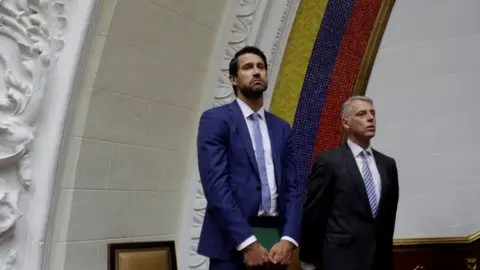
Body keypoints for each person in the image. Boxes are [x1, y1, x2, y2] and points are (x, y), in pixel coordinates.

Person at [196, 46, 302, 270]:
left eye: (261, 67)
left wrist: (289, 239)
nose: (256, 72)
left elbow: (292, 189)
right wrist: (247, 243)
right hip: (231, 245)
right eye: (248, 67)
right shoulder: (216, 120)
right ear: (234, 79)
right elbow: (216, 187)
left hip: (275, 245)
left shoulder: (282, 128)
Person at [299, 96, 399, 270]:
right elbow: (313, 214)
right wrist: (309, 260)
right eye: (362, 114)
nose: (370, 118)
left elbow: (388, 218)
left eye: (372, 113)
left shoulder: (387, 164)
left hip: (379, 261)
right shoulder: (329, 162)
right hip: (339, 260)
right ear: (346, 123)